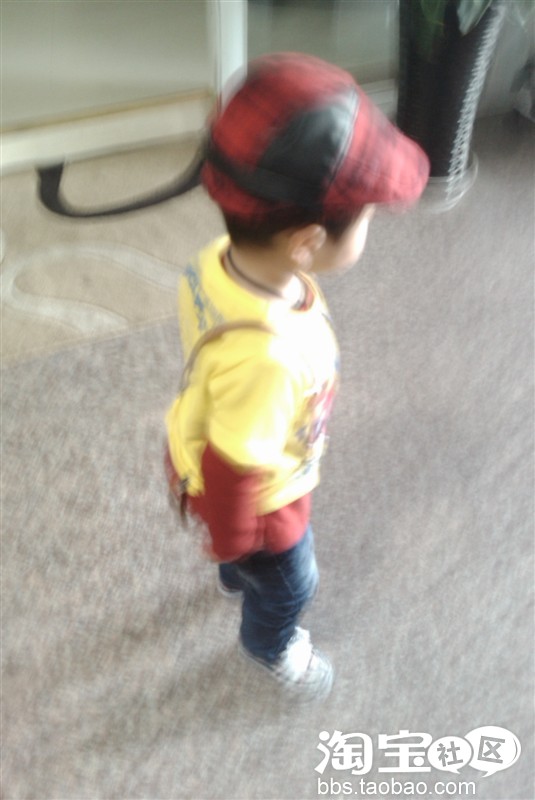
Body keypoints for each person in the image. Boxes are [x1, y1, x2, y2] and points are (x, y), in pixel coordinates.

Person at [165, 52, 429, 700]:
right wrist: (235, 541)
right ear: (305, 241)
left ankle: (237, 575)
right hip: (265, 504)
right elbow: (236, 463)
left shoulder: (214, 261)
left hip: (199, 427)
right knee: (291, 584)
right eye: (366, 215)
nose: (370, 224)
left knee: (247, 566)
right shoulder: (271, 357)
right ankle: (269, 644)